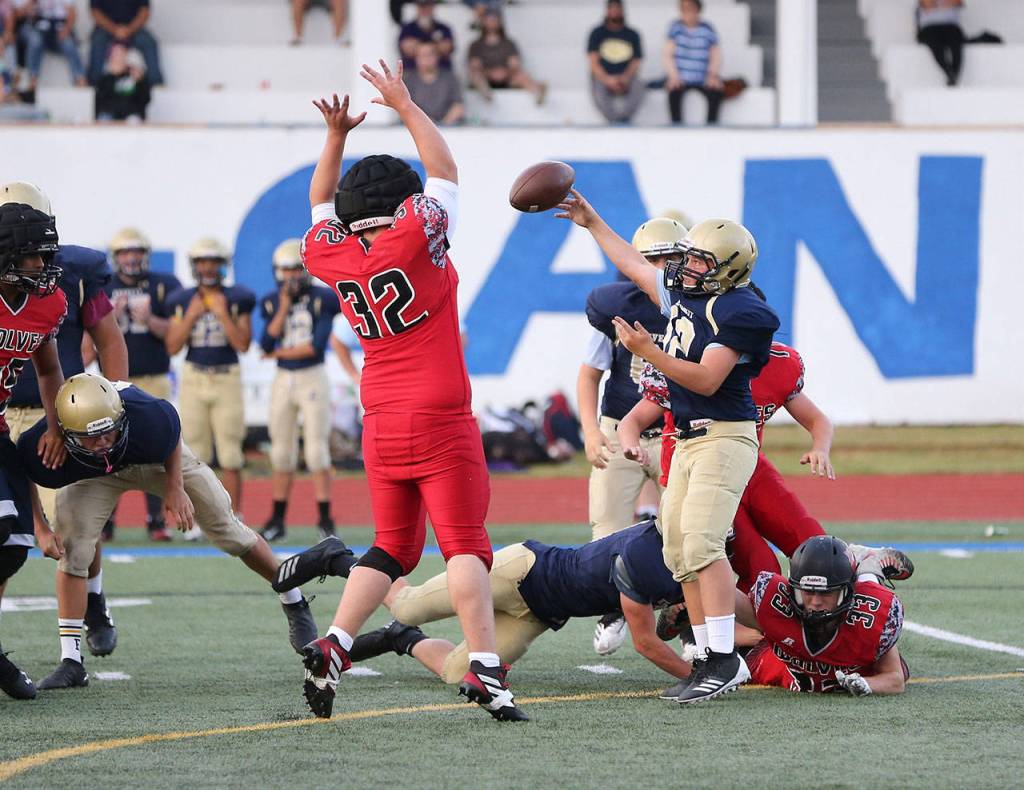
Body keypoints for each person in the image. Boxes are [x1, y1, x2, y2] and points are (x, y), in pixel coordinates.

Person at [298, 60, 526, 722]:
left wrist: (334, 136)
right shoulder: (414, 232)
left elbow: (319, 205)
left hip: (380, 413)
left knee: (393, 545)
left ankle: (337, 643)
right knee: (464, 544)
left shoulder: (334, 253)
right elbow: (445, 172)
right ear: (400, 206)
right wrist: (405, 104)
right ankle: (486, 669)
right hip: (438, 410)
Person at [557, 198, 779, 704]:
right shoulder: (684, 291)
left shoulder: (741, 312)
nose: (687, 266)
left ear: (727, 271)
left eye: (701, 260)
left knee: (701, 545)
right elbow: (635, 266)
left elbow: (706, 377)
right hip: (689, 438)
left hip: (724, 435)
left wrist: (649, 353)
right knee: (680, 554)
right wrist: (593, 222)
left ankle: (724, 659)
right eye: (689, 257)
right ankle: (706, 656)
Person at [17, 373, 319, 689]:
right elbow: (23, 470)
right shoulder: (44, 442)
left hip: (156, 461)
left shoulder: (144, 416)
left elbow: (169, 427)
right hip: (95, 476)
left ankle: (294, 600)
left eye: (109, 431)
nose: (105, 441)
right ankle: (71, 661)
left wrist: (175, 487)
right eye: (93, 437)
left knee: (228, 530)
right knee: (73, 549)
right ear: (65, 434)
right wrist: (40, 527)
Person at [278, 519, 692, 685]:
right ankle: (338, 558)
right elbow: (647, 643)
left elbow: (729, 606)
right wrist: (697, 673)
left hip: (541, 615)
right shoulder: (647, 554)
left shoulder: (690, 571)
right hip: (521, 572)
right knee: (407, 602)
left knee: (459, 673)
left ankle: (400, 639)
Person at [2, 181, 127, 656]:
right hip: (3, 414)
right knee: (7, 535)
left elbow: (109, 339)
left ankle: (92, 605)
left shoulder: (71, 271)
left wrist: (114, 401)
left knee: (75, 528)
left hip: (60, 414)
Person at [620, 333, 832, 595]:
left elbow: (817, 419)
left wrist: (820, 448)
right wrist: (631, 444)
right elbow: (633, 419)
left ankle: (847, 603)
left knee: (816, 547)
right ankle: (713, 618)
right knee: (760, 569)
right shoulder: (682, 360)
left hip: (749, 466)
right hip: (698, 473)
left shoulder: (779, 363)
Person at [579, 217, 683, 656]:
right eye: (652, 258)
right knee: (606, 526)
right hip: (618, 423)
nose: (660, 266)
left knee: (685, 529)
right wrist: (588, 429)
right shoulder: (614, 308)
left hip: (677, 431)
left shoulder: (694, 308)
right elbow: (590, 375)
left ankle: (687, 616)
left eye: (669, 257)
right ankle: (615, 605)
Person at [0, 200, 67, 700]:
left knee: (14, 547)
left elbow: (48, 370)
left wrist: (58, 425)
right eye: (33, 258)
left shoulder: (47, 304)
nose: (43, 268)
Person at [738, 535, 910, 695]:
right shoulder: (777, 603)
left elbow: (895, 679)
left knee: (869, 592)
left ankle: (869, 569)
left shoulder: (869, 618)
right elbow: (723, 597)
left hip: (855, 651)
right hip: (785, 664)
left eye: (826, 594)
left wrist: (866, 684)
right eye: (807, 592)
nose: (815, 602)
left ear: (845, 593)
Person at [101, 226, 181, 541]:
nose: (131, 258)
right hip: (114, 381)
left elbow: (174, 340)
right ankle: (106, 523)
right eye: (125, 252)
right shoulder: (103, 286)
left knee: (157, 448)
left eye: (136, 252)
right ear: (116, 257)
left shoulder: (164, 286)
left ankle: (156, 520)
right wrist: (111, 317)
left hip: (154, 379)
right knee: (107, 449)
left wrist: (150, 320)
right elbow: (87, 341)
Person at [165, 238, 254, 520]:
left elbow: (242, 344)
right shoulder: (182, 301)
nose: (208, 268)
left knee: (231, 453)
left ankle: (233, 515)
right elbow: (172, 346)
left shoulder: (237, 298)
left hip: (226, 376)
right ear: (194, 265)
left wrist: (222, 313)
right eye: (203, 262)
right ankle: (198, 518)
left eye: (213, 262)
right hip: (194, 375)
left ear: (223, 265)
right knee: (195, 453)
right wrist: (191, 316)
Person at [258, 239, 340, 543]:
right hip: (284, 380)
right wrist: (283, 307)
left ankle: (325, 519)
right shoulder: (271, 301)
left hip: (312, 378)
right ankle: (278, 519)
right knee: (281, 451)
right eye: (286, 270)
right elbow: (265, 343)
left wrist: (278, 353)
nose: (291, 276)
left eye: (296, 269)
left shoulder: (323, 298)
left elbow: (313, 348)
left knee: (317, 451)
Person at [466, 9, 546, 106]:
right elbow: (474, 65)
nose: (492, 22)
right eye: (489, 19)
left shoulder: (508, 43)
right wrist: (491, 74)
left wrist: (504, 73)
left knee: (522, 75)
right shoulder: (475, 45)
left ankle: (537, 92)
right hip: (485, 79)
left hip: (507, 79)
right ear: (483, 22)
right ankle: (487, 95)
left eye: (494, 19)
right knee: (475, 75)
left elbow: (515, 64)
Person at [663, 0, 724, 126]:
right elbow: (667, 55)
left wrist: (712, 75)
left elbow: (715, 55)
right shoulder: (675, 28)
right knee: (673, 93)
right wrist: (673, 76)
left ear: (698, 9)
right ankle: (676, 127)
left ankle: (711, 128)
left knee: (715, 93)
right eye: (684, 8)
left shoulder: (707, 29)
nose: (687, 11)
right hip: (680, 78)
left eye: (690, 7)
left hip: (703, 78)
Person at [586, 0, 644, 124]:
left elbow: (636, 61)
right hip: (603, 77)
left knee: (639, 87)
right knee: (598, 92)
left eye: (617, 9)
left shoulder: (632, 34)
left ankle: (624, 120)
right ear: (607, 11)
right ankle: (614, 122)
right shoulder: (597, 33)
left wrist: (625, 78)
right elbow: (593, 62)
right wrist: (607, 79)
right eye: (612, 9)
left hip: (626, 77)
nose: (615, 12)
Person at [87, 0, 163, 87]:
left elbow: (144, 11)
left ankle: (156, 83)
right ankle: (93, 84)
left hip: (134, 28)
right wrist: (114, 30)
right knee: (97, 42)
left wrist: (129, 30)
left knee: (149, 43)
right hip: (106, 29)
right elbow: (95, 12)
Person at [19, 0, 88, 92]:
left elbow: (73, 14)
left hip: (58, 30)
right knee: (35, 41)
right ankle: (33, 80)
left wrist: (66, 29)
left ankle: (80, 78)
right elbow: (19, 14)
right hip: (39, 31)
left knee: (69, 43)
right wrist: (32, 4)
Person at [405, 41, 463, 126]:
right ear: (416, 58)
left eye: (430, 54)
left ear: (437, 56)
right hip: (418, 127)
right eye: (422, 55)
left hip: (448, 128)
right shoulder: (409, 80)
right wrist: (427, 124)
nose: (426, 59)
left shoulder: (450, 78)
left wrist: (443, 124)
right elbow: (405, 108)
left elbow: (458, 106)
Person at [94, 42, 149, 122]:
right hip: (110, 116)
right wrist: (112, 76)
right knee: (104, 119)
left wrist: (140, 82)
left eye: (120, 54)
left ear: (126, 56)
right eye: (115, 54)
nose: (118, 57)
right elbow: (100, 103)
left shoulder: (135, 75)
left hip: (131, 115)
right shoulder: (104, 79)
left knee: (134, 120)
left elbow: (146, 99)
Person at [916, 0, 965, 86]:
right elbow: (928, 4)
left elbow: (957, 2)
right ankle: (948, 71)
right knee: (936, 46)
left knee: (956, 45)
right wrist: (944, 4)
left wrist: (938, 5)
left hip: (951, 27)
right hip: (930, 28)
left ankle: (954, 74)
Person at [398, 0, 453, 70]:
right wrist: (435, 47)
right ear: (417, 7)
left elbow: (446, 48)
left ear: (433, 7)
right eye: (421, 6)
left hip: (442, 73)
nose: (425, 10)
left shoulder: (443, 28)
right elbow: (406, 48)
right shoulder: (407, 29)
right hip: (412, 73)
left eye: (428, 6)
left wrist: (418, 47)